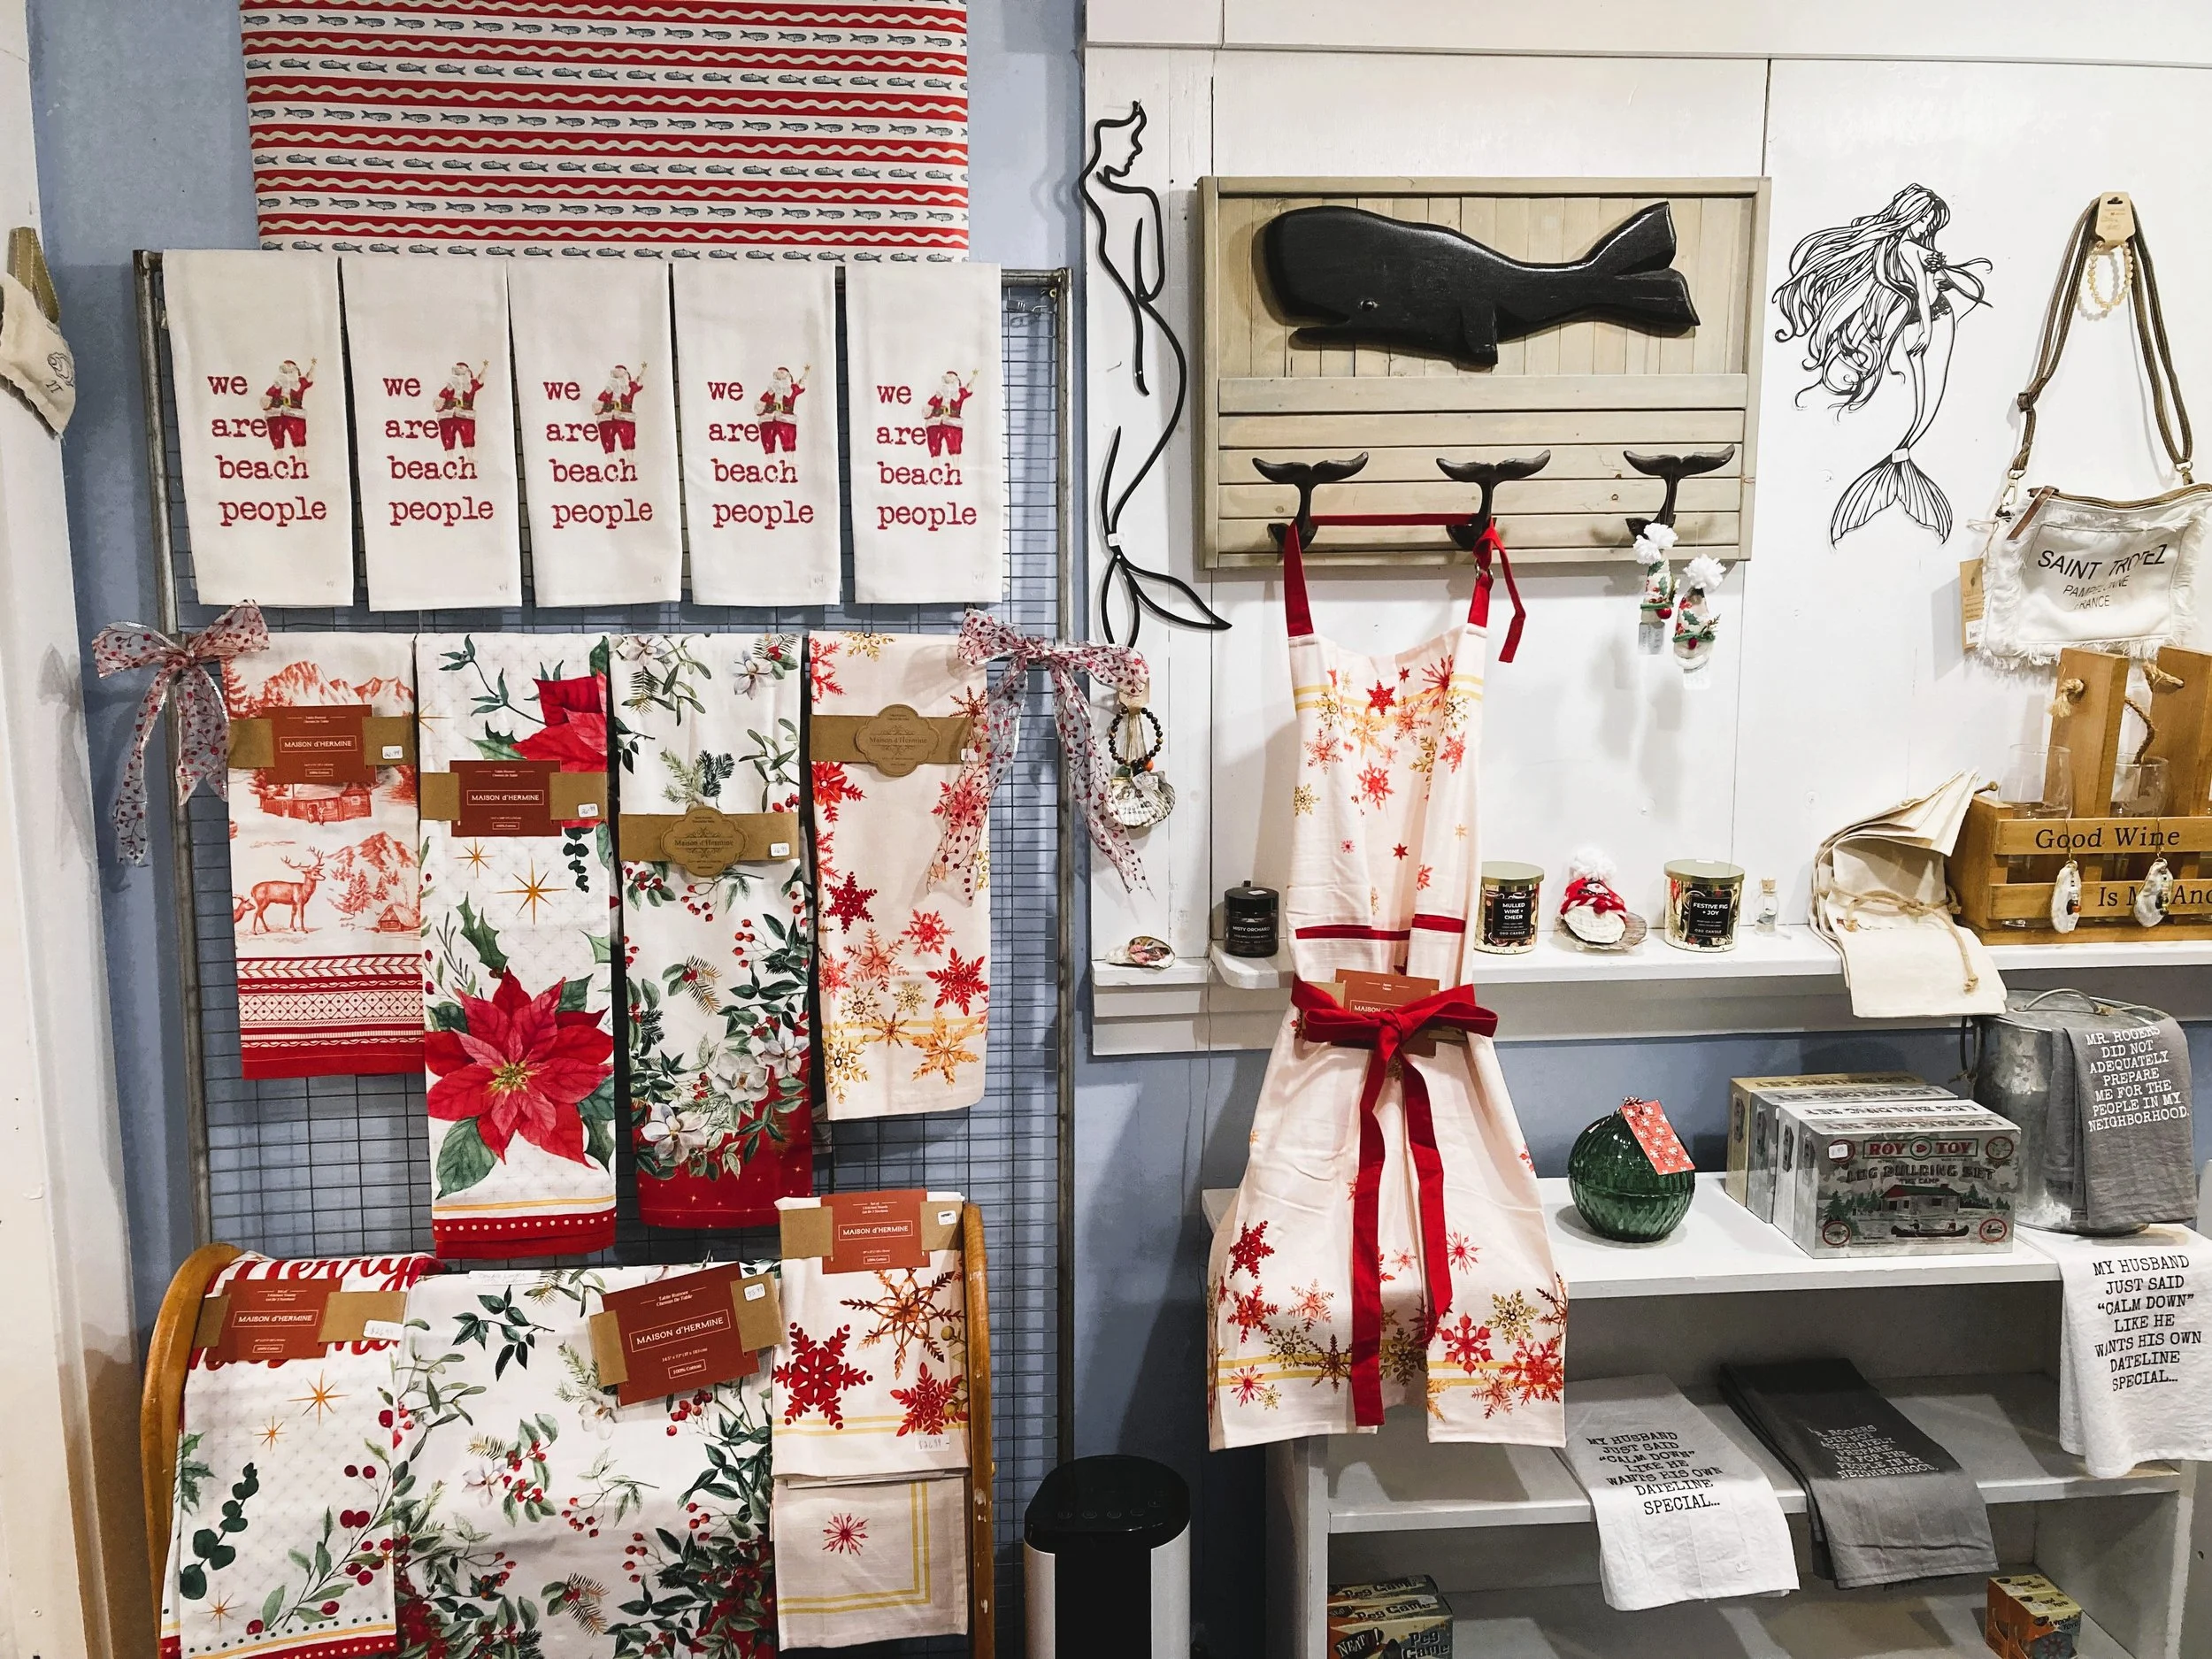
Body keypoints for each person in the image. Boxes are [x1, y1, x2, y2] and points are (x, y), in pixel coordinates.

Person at [1770, 184, 1989, 543]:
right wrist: (1928, 329)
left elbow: (1931, 281)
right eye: (1924, 220)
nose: (1926, 228)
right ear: (1911, 215)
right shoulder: (1905, 246)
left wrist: (1943, 274)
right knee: (1925, 394)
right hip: (1927, 320)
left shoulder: (1912, 247)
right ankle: (1898, 461)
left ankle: (1901, 456)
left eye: (1931, 222)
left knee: (1929, 397)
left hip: (1934, 316)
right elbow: (1918, 289)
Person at [261, 357, 315, 450]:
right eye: (285, 371)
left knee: (298, 435)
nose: (288, 374)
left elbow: (309, 378)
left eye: (291, 371)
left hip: (294, 413)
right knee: (276, 436)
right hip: (276, 413)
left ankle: (300, 456)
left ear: (296, 372)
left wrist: (313, 365)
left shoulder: (299, 383)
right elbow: (267, 398)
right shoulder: (277, 385)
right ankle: (279, 456)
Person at [755, 363, 806, 455]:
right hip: (769, 417)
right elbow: (761, 403)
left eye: (782, 374)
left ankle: (790, 461)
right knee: (767, 438)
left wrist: (805, 374)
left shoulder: (791, 390)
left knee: (788, 439)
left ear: (788, 377)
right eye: (778, 375)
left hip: (786, 418)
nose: (780, 377)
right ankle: (769, 460)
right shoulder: (771, 391)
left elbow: (800, 385)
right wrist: (761, 408)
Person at [435, 359, 487, 450]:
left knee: (468, 435)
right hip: (449, 414)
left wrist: (485, 367)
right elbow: (441, 398)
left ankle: (470, 456)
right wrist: (439, 404)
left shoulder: (471, 385)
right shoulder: (450, 387)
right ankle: (449, 457)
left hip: (465, 414)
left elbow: (480, 379)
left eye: (462, 369)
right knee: (447, 434)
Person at [595, 363, 643, 454]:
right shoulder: (609, 389)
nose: (619, 380)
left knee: (627, 437)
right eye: (617, 378)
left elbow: (637, 385)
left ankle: (630, 459)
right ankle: (610, 459)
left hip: (625, 416)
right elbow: (601, 399)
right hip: (608, 416)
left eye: (621, 377)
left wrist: (640, 378)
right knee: (607, 437)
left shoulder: (629, 387)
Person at [924, 369, 974, 457]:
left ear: (956, 381)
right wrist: (929, 411)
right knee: (934, 442)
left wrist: (973, 377)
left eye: (952, 376)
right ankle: (935, 464)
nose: (950, 376)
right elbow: (929, 407)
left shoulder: (959, 393)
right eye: (948, 375)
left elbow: (968, 388)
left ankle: (955, 466)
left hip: (952, 421)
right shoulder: (939, 395)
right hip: (936, 420)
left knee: (954, 443)